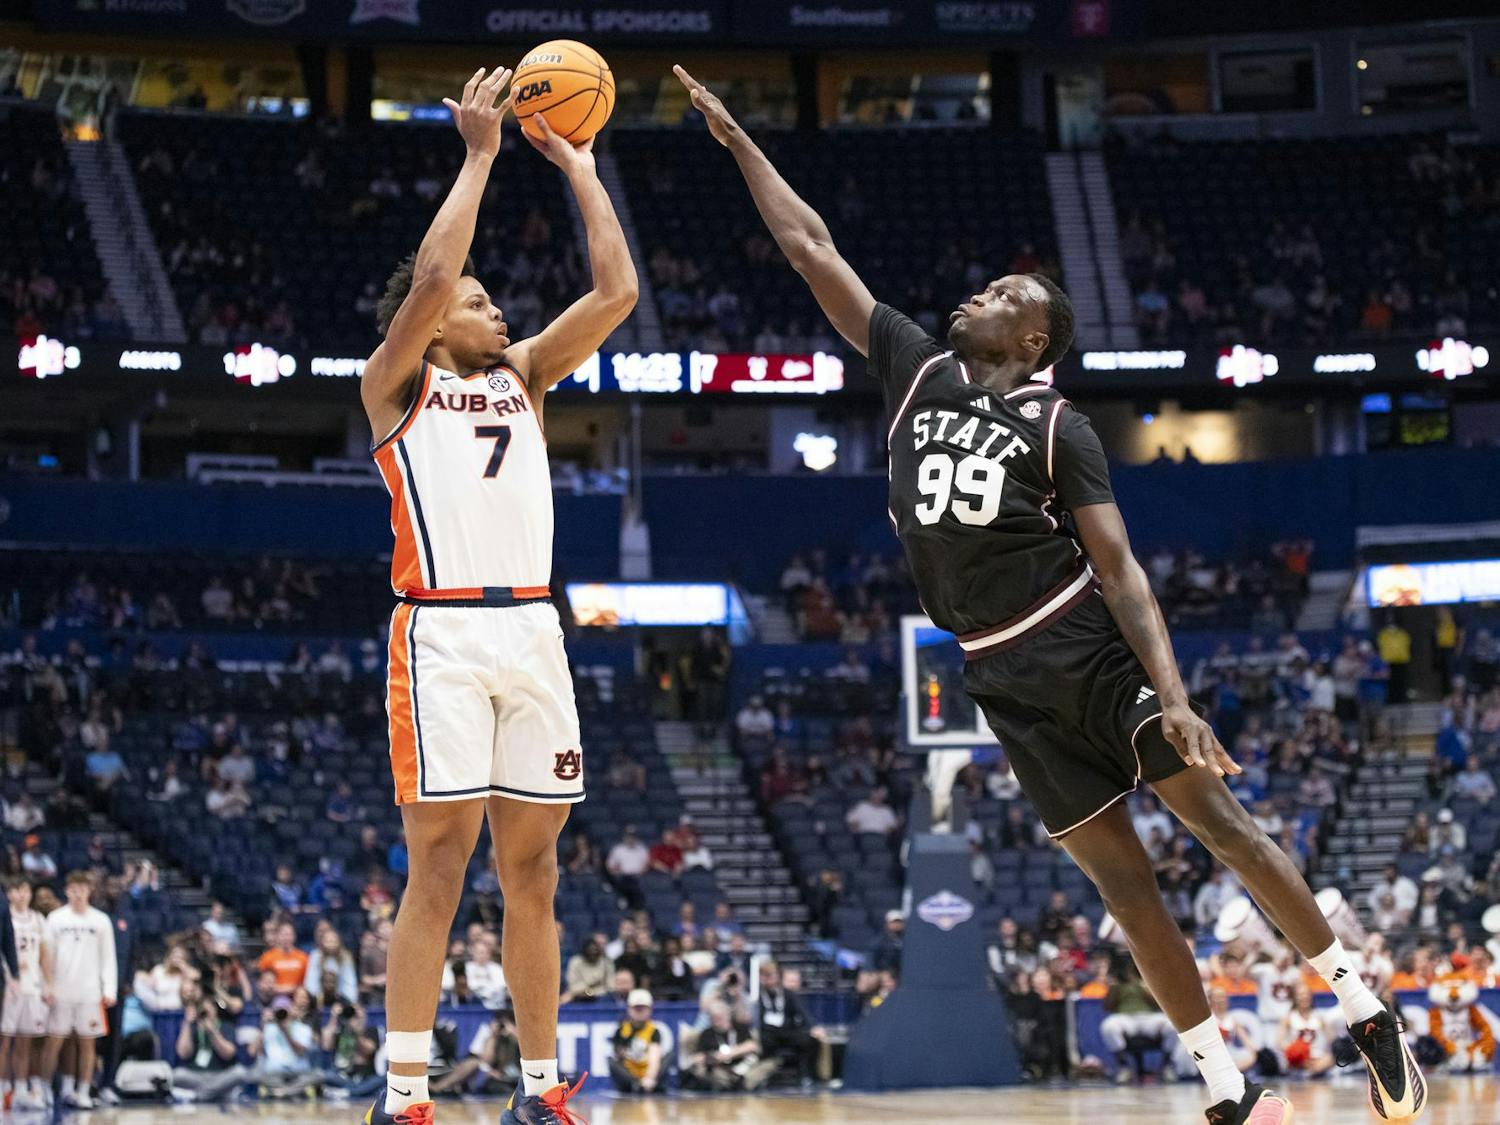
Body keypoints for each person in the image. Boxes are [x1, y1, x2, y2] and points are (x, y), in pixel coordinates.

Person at [674, 65, 1421, 1125]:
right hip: (998, 671)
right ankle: (1221, 1078)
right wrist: (740, 137)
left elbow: (1120, 569)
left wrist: (1173, 693)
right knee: (1121, 885)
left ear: (1030, 341)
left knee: (1225, 830)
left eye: (1004, 296)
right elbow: (811, 249)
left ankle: (1361, 1008)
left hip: (1086, 649)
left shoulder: (1058, 424)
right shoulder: (918, 370)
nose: (978, 293)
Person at [360, 62, 636, 1125]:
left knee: (538, 873)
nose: (494, 304)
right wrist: (478, 156)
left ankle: (539, 1092)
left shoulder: (521, 374)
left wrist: (581, 166)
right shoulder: (393, 384)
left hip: (533, 629)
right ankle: (406, 1095)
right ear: (433, 330)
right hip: (438, 633)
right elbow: (432, 278)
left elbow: (616, 294)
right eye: (480, 301)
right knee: (440, 867)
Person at [40, 872, 116, 1110]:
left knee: (87, 1044)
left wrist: (109, 988)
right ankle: (43, 1090)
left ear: (89, 890)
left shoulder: (101, 920)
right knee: (54, 1042)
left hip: (90, 993)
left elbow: (108, 958)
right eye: (74, 888)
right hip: (60, 992)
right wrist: (47, 986)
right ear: (67, 890)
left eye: (83, 888)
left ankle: (81, 1091)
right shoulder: (55, 919)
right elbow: (46, 957)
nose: (79, 892)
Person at [0, 877, 47, 1112]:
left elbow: (45, 954)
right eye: (17, 890)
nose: (22, 894)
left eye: (26, 890)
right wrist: (11, 975)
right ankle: (2, 1090)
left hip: (32, 986)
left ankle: (21, 1089)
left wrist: (46, 985)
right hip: (9, 985)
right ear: (10, 894)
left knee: (26, 1041)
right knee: (4, 1040)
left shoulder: (38, 919)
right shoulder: (5, 915)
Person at [607, 989, 664, 1094]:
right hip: (629, 1074)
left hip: (647, 1071)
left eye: (643, 1009)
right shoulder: (621, 1030)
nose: (640, 1012)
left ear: (650, 1010)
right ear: (629, 1009)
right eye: (636, 1009)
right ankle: (635, 1084)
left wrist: (649, 1078)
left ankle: (647, 1085)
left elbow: (654, 1057)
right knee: (611, 1061)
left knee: (667, 1057)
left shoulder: (653, 1031)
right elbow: (618, 1056)